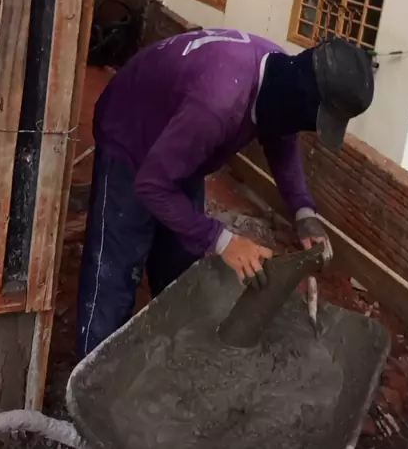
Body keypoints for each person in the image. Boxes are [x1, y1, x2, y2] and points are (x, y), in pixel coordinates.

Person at [77, 28, 374, 358]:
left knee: (179, 257)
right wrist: (223, 241)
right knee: (116, 267)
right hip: (131, 131)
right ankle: (93, 368)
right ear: (300, 99)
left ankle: (169, 346)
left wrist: (304, 212)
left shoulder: (280, 76)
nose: (306, 129)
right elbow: (151, 185)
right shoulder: (218, 104)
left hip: (182, 138)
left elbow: (282, 139)